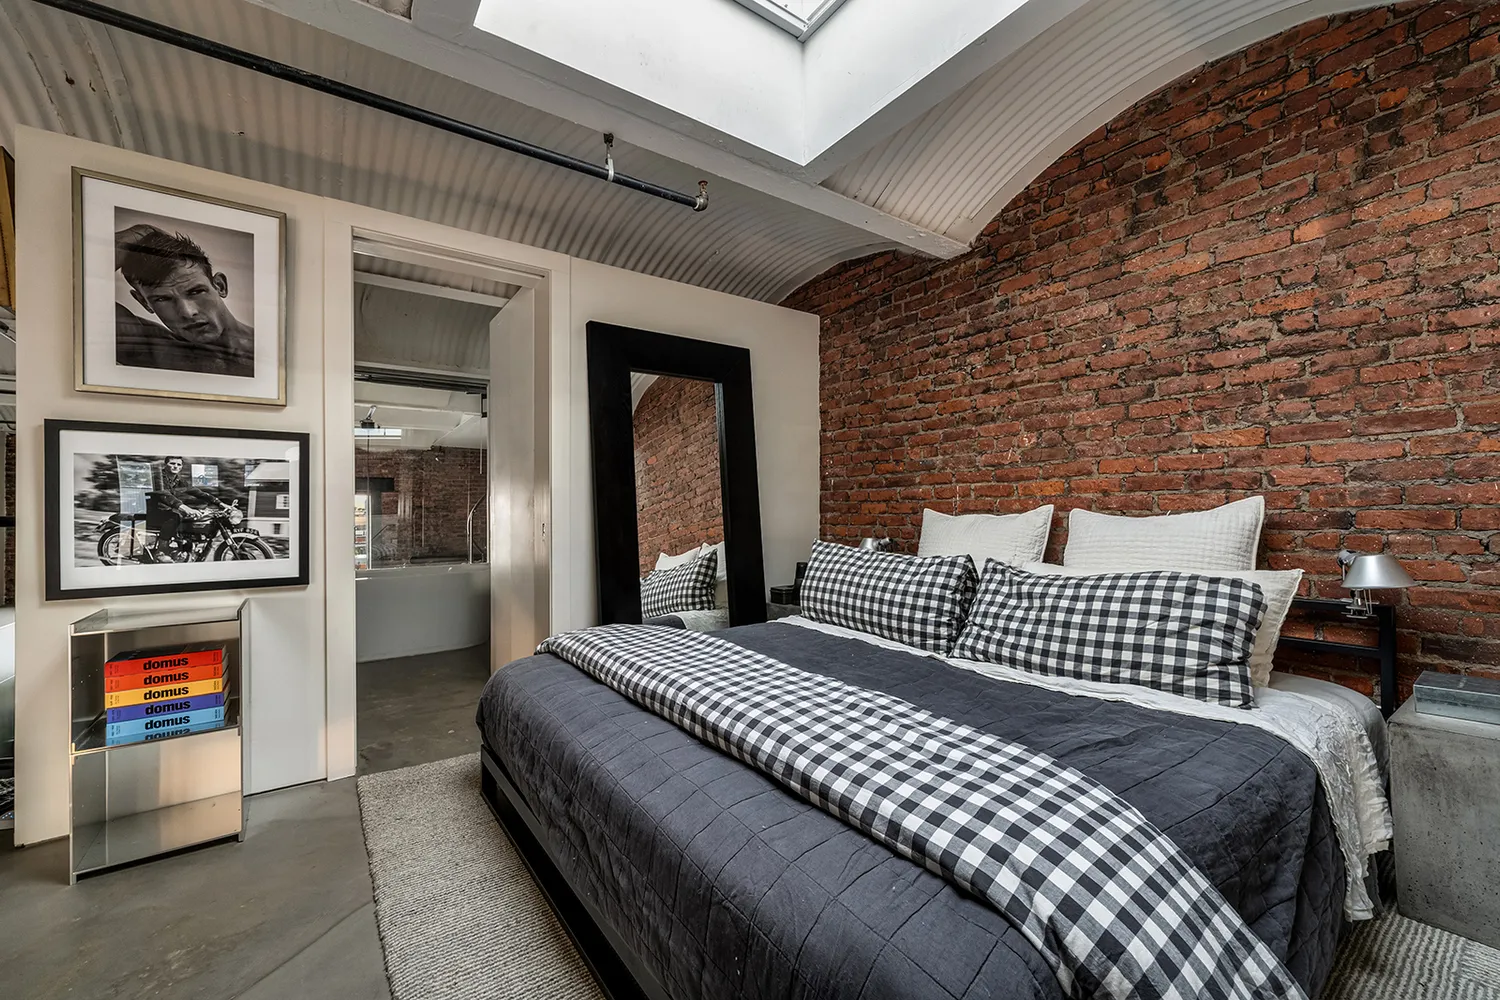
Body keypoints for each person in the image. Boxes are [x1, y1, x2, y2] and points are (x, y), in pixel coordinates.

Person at [115, 223, 255, 377]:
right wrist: (142, 232)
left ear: (220, 286)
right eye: (162, 299)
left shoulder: (274, 347)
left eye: (196, 291)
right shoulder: (153, 351)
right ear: (144, 302)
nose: (188, 312)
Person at [154, 457, 217, 562]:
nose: (176, 466)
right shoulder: (158, 478)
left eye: (179, 464)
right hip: (155, 510)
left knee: (192, 519)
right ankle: (161, 552)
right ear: (165, 464)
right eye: (172, 463)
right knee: (174, 517)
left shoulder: (179, 480)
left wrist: (219, 503)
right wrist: (185, 508)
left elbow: (197, 492)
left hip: (169, 509)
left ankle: (185, 547)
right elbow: (165, 495)